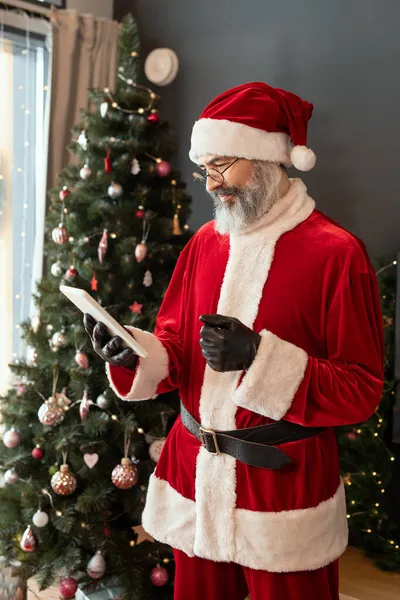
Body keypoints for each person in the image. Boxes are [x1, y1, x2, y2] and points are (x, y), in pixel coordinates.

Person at [83, 82, 384, 600]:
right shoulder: (204, 242)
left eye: (224, 166)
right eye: (207, 169)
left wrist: (261, 359)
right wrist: (137, 353)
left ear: (266, 159)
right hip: (194, 477)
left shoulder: (337, 254)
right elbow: (175, 345)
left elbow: (361, 388)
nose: (212, 185)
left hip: (282, 492)